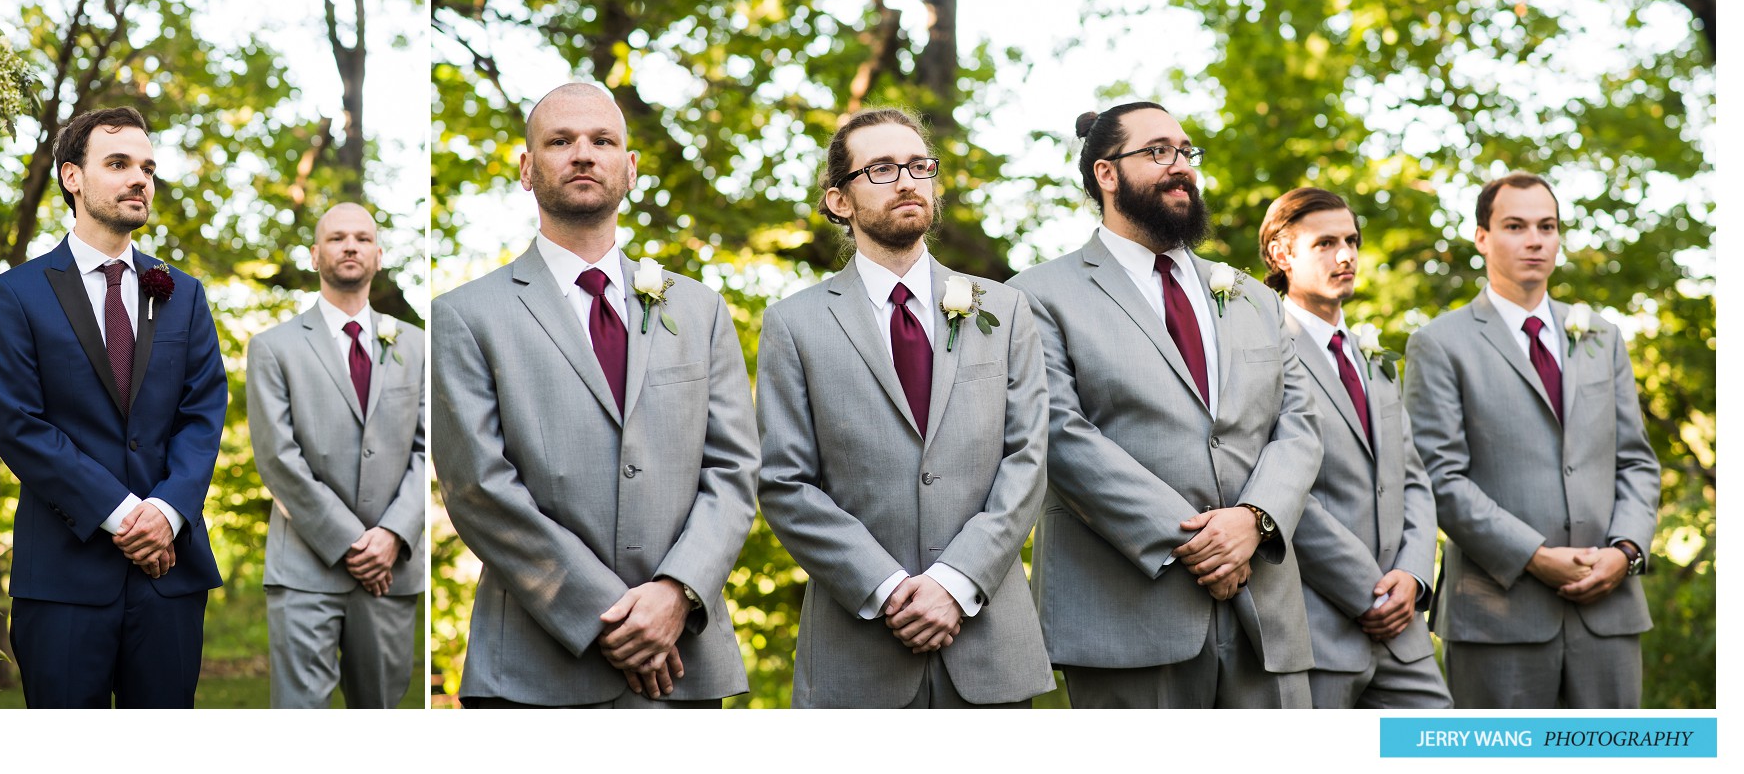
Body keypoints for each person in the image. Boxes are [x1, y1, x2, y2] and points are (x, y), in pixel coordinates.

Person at [431, 82, 759, 708]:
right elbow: (479, 488)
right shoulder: (467, 315)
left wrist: (674, 593)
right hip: (533, 668)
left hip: (685, 662)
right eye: (560, 141)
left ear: (629, 168)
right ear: (528, 170)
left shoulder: (700, 309)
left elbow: (734, 471)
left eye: (602, 140)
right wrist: (610, 615)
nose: (583, 153)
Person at [1010, 101, 1321, 708]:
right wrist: (1201, 543)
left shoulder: (1254, 298)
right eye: (1157, 152)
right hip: (1125, 611)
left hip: (1267, 613)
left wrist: (1252, 521)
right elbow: (1061, 435)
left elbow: (1300, 424)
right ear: (1106, 173)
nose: (1180, 166)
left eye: (1185, 152)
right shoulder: (1037, 295)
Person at [755, 109, 1053, 708]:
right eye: (883, 169)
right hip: (858, 649)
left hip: (989, 642)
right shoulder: (793, 324)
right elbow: (786, 482)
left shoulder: (1006, 309)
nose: (908, 181)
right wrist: (889, 589)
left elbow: (1027, 458)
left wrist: (955, 581)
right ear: (839, 200)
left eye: (919, 166)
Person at [0, 106, 226, 707]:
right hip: (64, 574)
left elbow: (203, 413)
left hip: (169, 574)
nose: (138, 179)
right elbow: (19, 426)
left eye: (146, 167)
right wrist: (123, 516)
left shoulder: (184, 294)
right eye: (117, 164)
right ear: (72, 177)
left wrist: (167, 512)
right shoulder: (15, 294)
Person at [1404, 171, 1660, 708]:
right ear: (1482, 237)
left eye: (1547, 226)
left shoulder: (1601, 337)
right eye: (1515, 226)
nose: (1535, 239)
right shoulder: (1439, 343)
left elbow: (1635, 461)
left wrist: (1628, 550)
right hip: (1499, 614)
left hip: (1608, 610)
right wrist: (1534, 555)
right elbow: (1441, 478)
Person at [1258, 187, 1451, 708]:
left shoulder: (1371, 356)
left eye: (1351, 241)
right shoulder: (1261, 353)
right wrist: (1367, 590)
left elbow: (1412, 477)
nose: (1346, 256)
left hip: (1403, 629)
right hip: (1318, 628)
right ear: (1282, 254)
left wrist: (1412, 574)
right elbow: (1276, 485)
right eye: (1325, 243)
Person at [248, 203, 425, 708]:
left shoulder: (417, 344)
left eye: (363, 238)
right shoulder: (273, 347)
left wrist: (391, 536)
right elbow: (278, 458)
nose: (351, 246)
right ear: (314, 254)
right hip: (305, 567)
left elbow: (426, 450)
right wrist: (353, 543)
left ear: (378, 254)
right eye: (337, 238)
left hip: (391, 571)